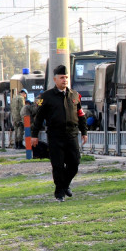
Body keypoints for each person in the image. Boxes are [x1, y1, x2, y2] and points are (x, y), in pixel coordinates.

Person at [31, 65, 88, 202]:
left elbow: (81, 115)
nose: (65, 80)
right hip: (55, 136)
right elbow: (38, 118)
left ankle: (65, 185)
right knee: (57, 165)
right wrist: (34, 135)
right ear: (55, 79)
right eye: (62, 77)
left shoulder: (75, 95)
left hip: (71, 135)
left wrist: (84, 132)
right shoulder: (45, 97)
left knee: (74, 163)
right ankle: (59, 193)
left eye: (66, 77)